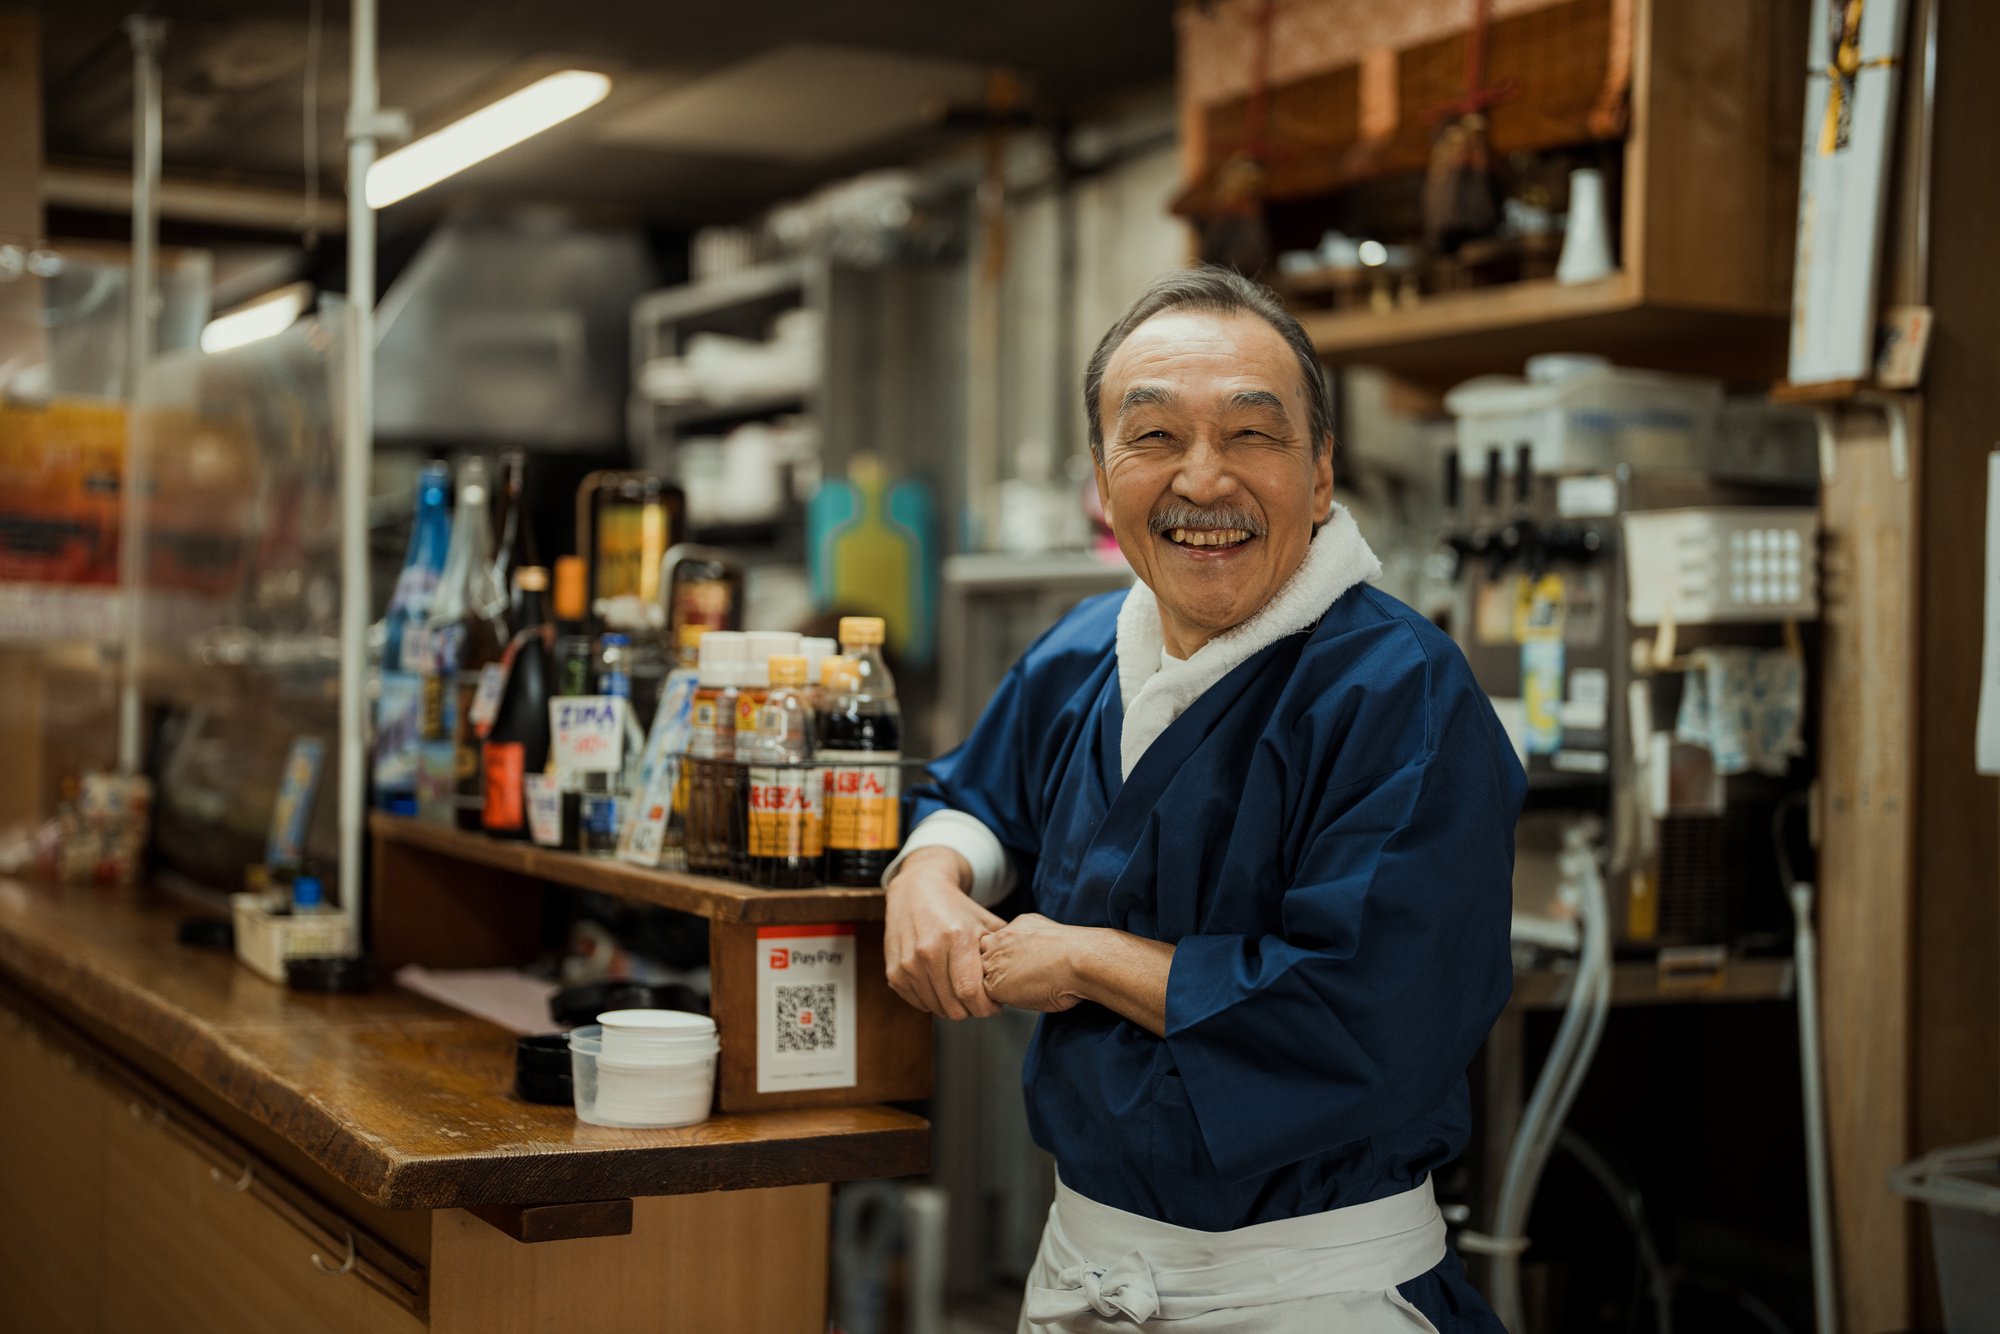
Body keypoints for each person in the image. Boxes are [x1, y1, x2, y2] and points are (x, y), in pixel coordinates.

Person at [882, 265, 1523, 1332]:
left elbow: (1366, 1007)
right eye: (1152, 437)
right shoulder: (1085, 648)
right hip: (1084, 1264)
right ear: (1101, 479)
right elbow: (975, 796)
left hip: (1313, 1291)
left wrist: (1084, 954)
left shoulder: (1396, 688)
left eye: (1250, 435)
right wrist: (929, 873)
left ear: (1320, 475)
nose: (1202, 478)